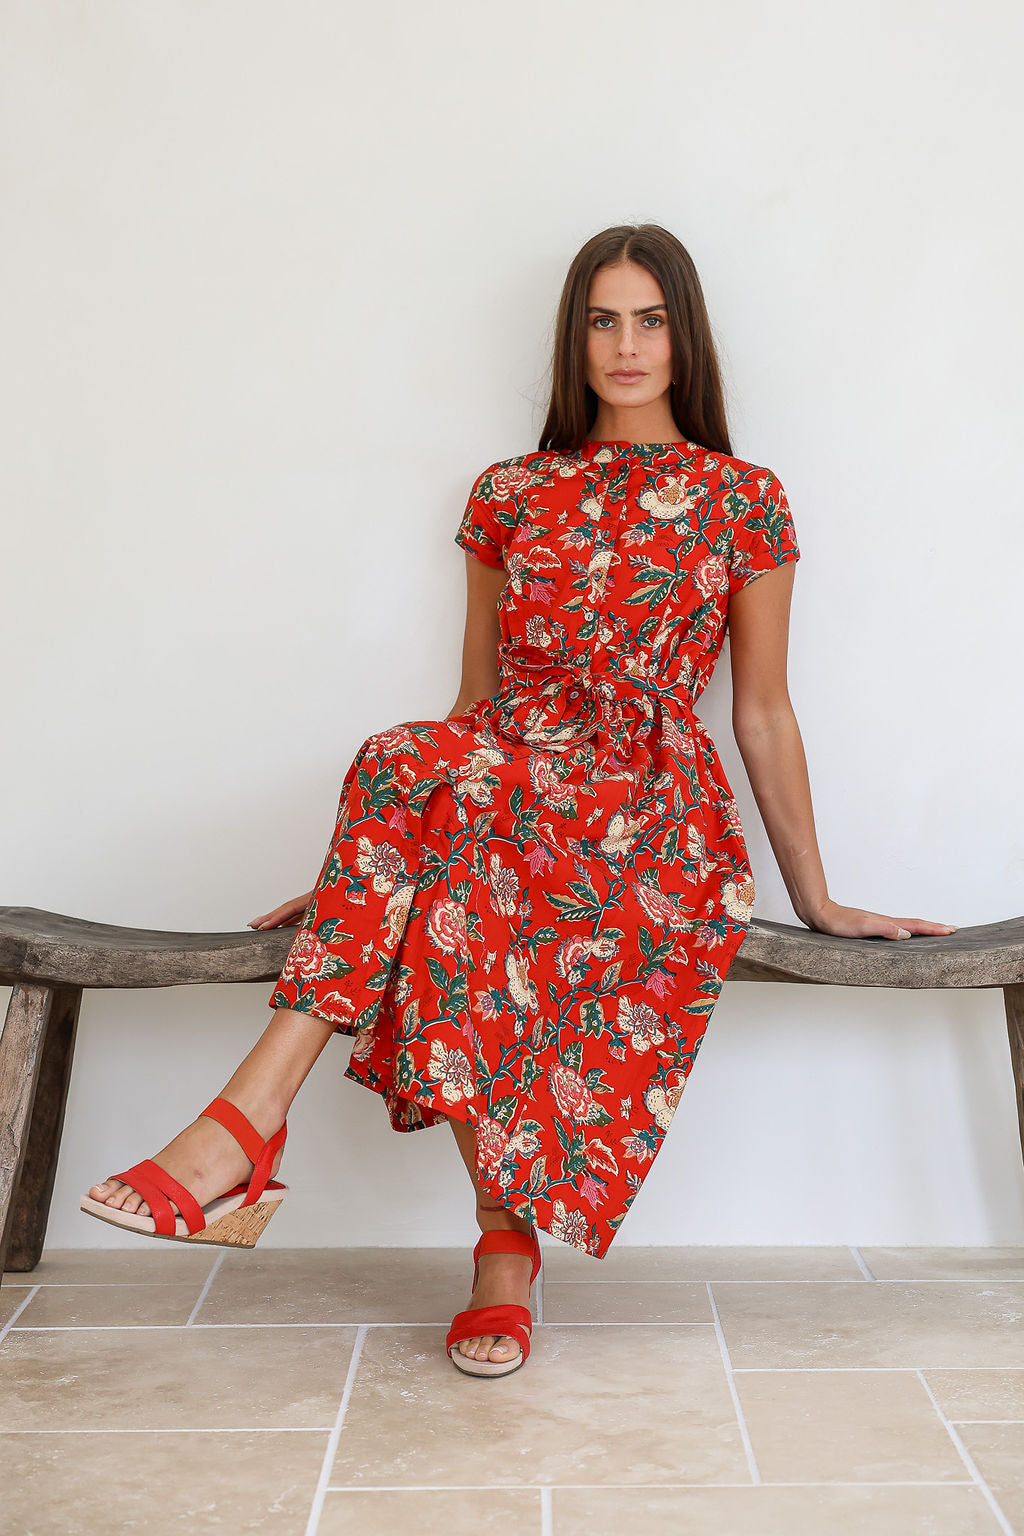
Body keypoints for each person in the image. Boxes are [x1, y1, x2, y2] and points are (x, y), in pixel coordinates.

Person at [81, 222, 956, 1379]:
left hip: (649, 806)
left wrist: (819, 895)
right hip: (505, 780)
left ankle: (254, 1135)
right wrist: (370, 866)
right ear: (573, 338)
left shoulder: (742, 500)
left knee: (423, 775)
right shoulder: (509, 495)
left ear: (684, 338)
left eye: (649, 319)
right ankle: (495, 1246)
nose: (626, 344)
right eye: (602, 320)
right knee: (427, 779)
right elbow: (472, 705)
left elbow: (759, 714)